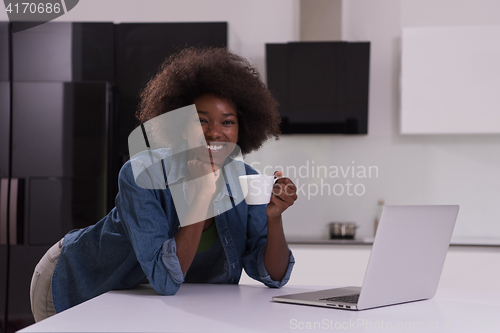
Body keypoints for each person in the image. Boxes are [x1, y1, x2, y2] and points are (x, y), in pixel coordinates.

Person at [29, 47, 298, 322]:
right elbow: (166, 279)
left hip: (147, 306)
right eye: (200, 120)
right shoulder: (142, 173)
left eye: (227, 122)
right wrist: (202, 196)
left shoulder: (244, 180)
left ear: (241, 130)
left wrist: (273, 218)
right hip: (77, 284)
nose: (214, 132)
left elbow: (273, 277)